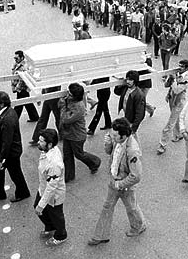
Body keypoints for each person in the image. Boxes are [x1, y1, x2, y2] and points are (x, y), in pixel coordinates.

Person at [88, 117, 146, 246]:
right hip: (114, 180)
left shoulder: (132, 151)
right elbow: (110, 153)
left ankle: (139, 226)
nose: (112, 136)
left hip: (125, 185)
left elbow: (136, 176)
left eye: (115, 135)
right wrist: (108, 143)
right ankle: (101, 235)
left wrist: (120, 184)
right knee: (107, 207)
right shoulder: (118, 139)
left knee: (131, 207)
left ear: (124, 135)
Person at [0, 91, 31, 203]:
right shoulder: (6, 112)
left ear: (1, 104)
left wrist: (1, 159)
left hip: (10, 152)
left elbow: (7, 141)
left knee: (14, 173)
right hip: (7, 150)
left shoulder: (7, 119)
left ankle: (22, 193)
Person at [59, 83, 101, 182]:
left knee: (79, 154)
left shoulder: (79, 107)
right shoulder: (71, 100)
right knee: (67, 155)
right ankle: (69, 176)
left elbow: (66, 119)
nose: (67, 95)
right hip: (68, 133)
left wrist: (63, 106)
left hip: (77, 136)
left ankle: (95, 162)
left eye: (69, 93)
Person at [33, 129, 68, 246]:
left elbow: (51, 188)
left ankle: (61, 235)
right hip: (43, 189)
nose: (38, 142)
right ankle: (50, 226)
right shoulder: (48, 151)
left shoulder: (54, 164)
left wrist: (41, 205)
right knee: (39, 208)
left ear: (49, 144)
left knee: (56, 215)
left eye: (41, 141)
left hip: (54, 195)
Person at [157, 59, 188, 155]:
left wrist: (174, 79)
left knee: (169, 125)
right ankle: (179, 134)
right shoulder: (176, 74)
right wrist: (169, 78)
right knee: (176, 118)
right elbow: (166, 85)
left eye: (182, 66)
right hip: (172, 100)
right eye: (179, 65)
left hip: (178, 102)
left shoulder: (187, 79)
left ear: (187, 68)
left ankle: (162, 145)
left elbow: (176, 90)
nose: (180, 68)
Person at [114, 70, 146, 135]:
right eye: (127, 79)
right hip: (125, 116)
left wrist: (133, 128)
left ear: (135, 81)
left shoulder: (139, 95)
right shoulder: (126, 88)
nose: (128, 81)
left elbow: (140, 114)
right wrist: (119, 84)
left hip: (130, 120)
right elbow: (117, 92)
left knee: (130, 138)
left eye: (131, 80)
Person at [11, 50, 39, 122]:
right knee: (27, 102)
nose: (15, 60)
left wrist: (17, 88)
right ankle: (34, 117)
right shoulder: (17, 64)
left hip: (22, 87)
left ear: (22, 57)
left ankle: (14, 119)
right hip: (20, 87)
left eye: (17, 58)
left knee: (19, 104)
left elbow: (23, 79)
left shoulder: (24, 66)